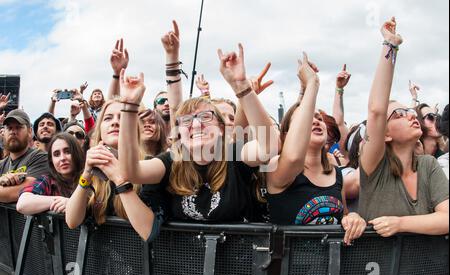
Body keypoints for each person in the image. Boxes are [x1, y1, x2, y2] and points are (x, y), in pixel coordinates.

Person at [118, 42, 279, 225]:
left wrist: (242, 86)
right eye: (186, 121)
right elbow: (130, 172)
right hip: (185, 254)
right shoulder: (172, 161)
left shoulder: (234, 155)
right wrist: (129, 107)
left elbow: (269, 147)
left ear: (221, 128)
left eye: (204, 117)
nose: (195, 125)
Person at [359, 17, 448, 237]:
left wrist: (400, 223)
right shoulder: (374, 165)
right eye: (399, 115)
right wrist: (391, 44)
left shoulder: (428, 165)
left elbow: (447, 218)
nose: (410, 116)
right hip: (379, 270)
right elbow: (377, 110)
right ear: (385, 134)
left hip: (424, 271)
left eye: (410, 112)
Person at [265, 53, 366, 246]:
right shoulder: (275, 166)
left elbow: (343, 217)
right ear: (287, 135)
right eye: (306, 118)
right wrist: (311, 85)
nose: (315, 120)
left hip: (330, 269)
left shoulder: (337, 175)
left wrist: (353, 218)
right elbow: (294, 157)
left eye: (319, 118)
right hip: (288, 272)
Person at [65, 98, 159, 242]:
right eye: (108, 118)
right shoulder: (93, 170)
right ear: (100, 129)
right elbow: (72, 221)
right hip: (105, 261)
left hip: (143, 260)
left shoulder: (150, 165)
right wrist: (86, 174)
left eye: (122, 117)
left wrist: (119, 180)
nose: (115, 122)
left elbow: (148, 231)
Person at [16, 133, 85, 215]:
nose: (62, 158)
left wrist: (73, 203)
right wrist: (62, 200)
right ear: (51, 161)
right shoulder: (48, 180)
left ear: (77, 153)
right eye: (56, 154)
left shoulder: (90, 177)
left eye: (67, 151)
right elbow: (22, 204)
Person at [0, 110, 49, 203]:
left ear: (30, 131)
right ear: (3, 132)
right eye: (9, 128)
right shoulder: (1, 164)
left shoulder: (41, 158)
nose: (13, 132)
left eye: (18, 127)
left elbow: (18, 192)